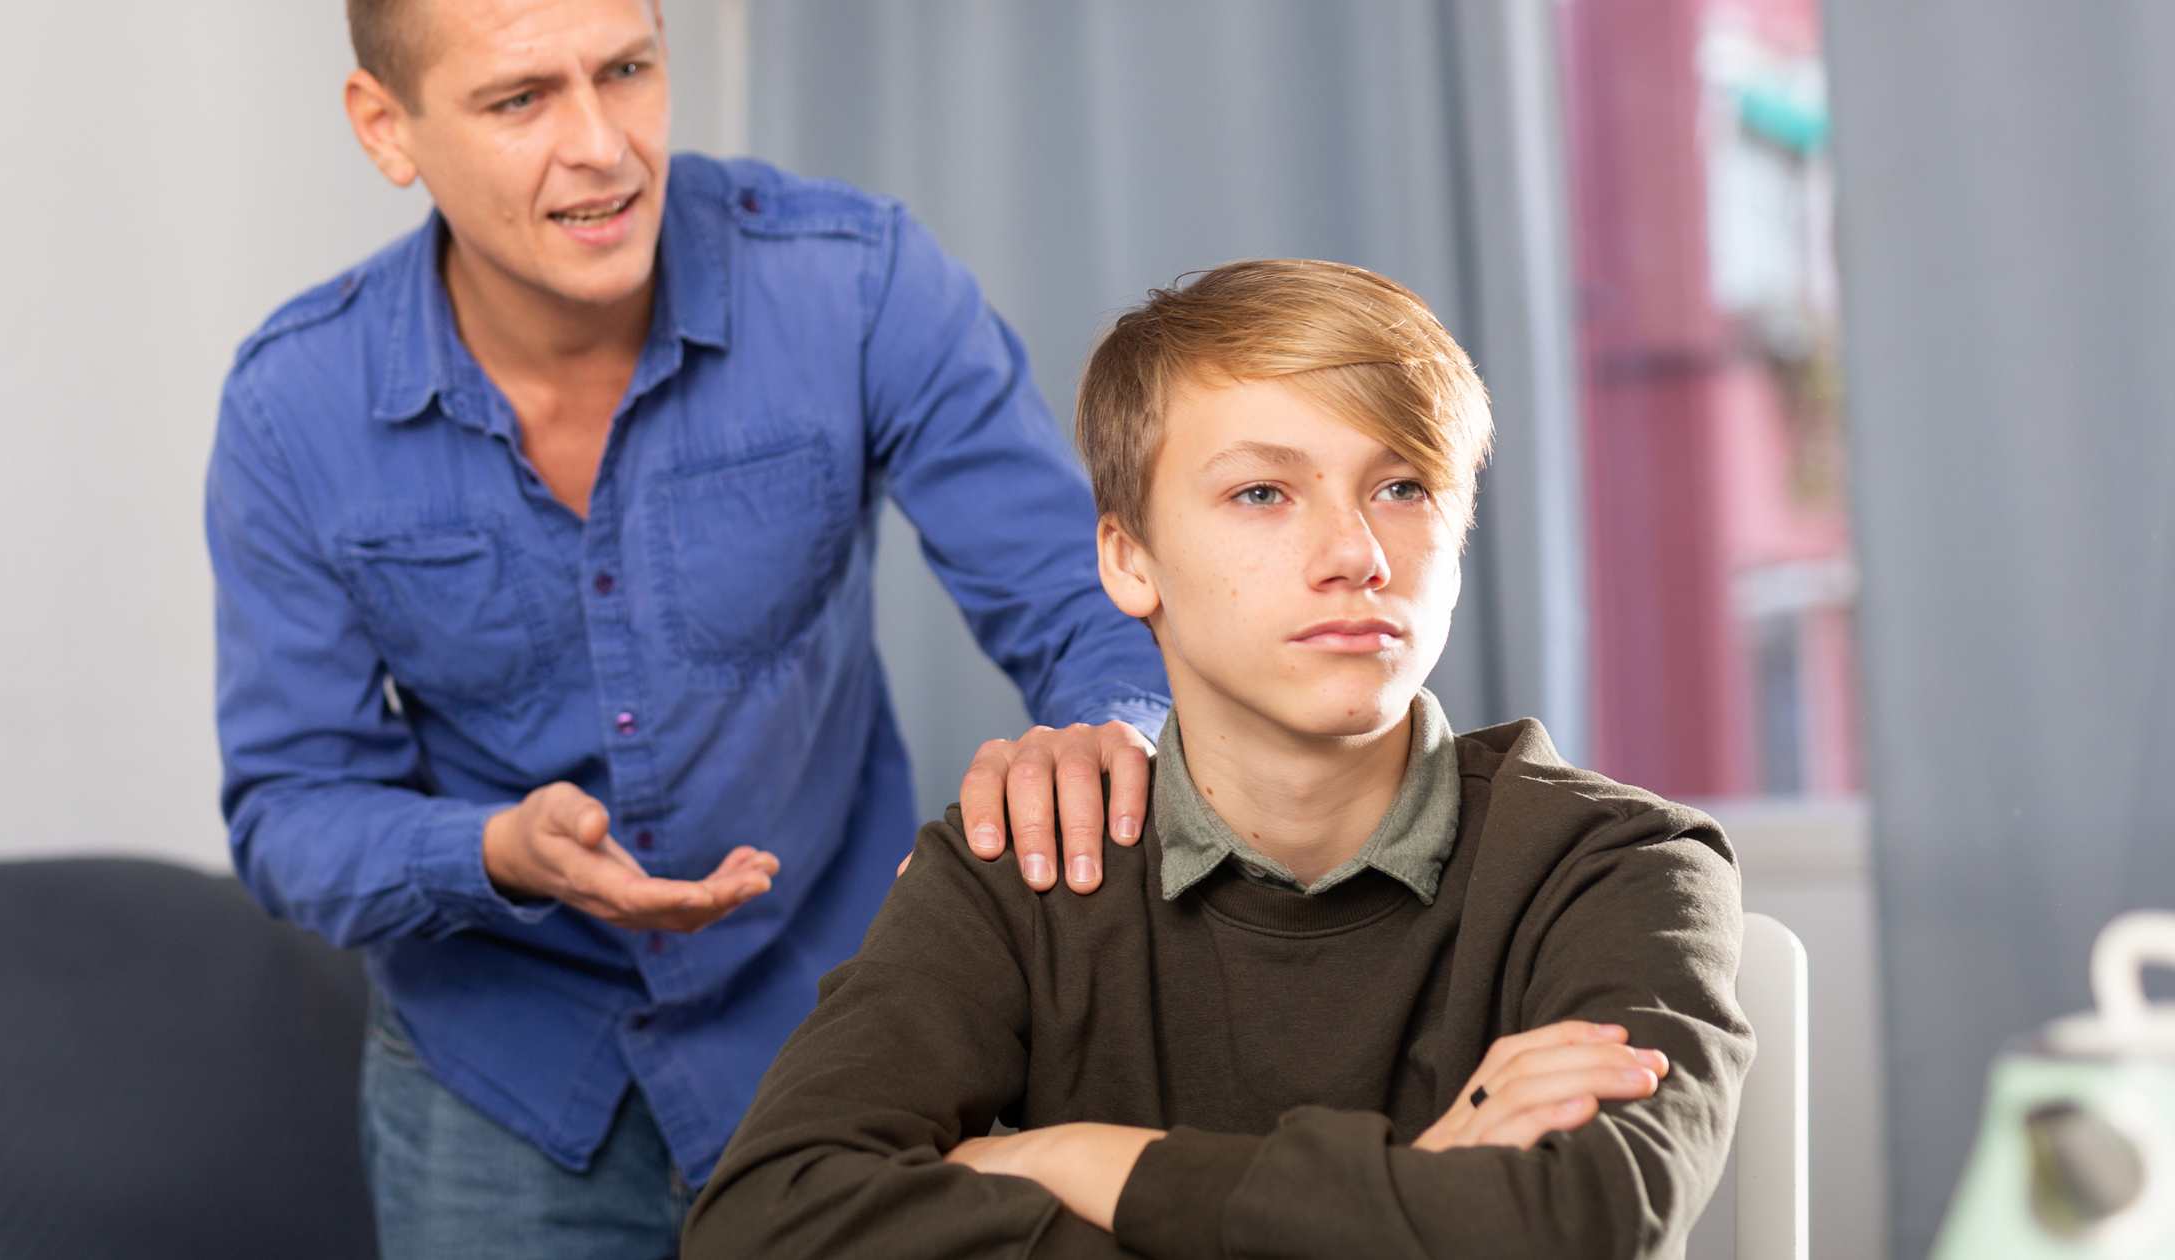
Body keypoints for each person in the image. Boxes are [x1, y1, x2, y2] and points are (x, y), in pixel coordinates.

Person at [203, 0, 1167, 1252]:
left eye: (627, 70)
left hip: (838, 1042)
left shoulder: (857, 281)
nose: (602, 143)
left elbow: (1082, 603)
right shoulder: (293, 409)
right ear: (387, 129)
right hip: (500, 1093)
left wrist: (1110, 732)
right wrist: (493, 849)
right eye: (520, 99)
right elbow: (290, 810)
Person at [686, 259, 1755, 1258]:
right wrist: (1415, 1196)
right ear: (1126, 558)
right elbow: (766, 1224)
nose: (1355, 555)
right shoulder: (1021, 868)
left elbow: (1576, 1222)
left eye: (1403, 487)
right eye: (1261, 493)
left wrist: (1074, 1160)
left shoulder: (1621, 868)